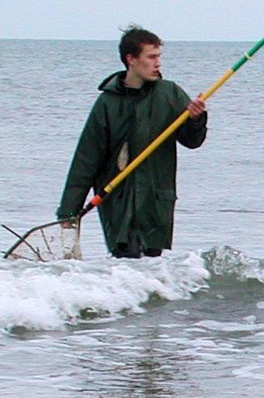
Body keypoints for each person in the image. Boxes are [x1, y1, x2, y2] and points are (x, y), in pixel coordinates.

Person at [57, 25, 208, 258]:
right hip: (117, 202)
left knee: (152, 269)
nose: (158, 63)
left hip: (156, 201)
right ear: (131, 59)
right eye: (151, 57)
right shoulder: (107, 103)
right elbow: (86, 160)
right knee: (126, 261)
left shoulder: (169, 94)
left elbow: (192, 141)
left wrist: (197, 119)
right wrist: (69, 211)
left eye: (159, 57)